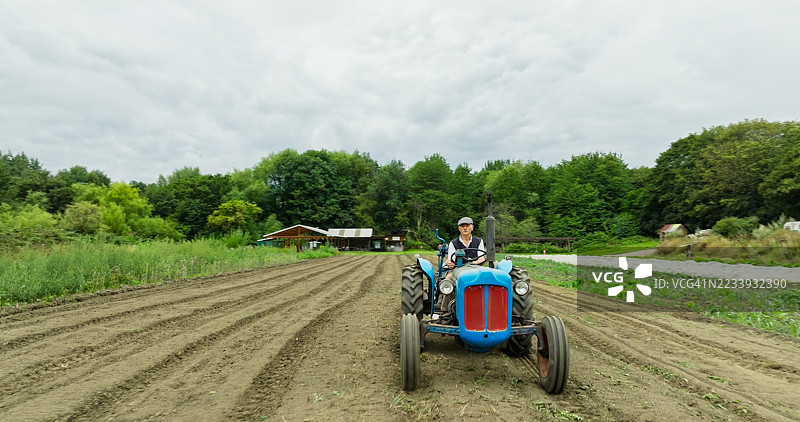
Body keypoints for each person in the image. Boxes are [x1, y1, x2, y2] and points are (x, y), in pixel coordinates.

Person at [439, 216, 486, 310]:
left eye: (467, 226)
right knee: (448, 281)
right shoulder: (453, 243)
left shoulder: (479, 241)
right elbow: (451, 260)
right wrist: (451, 264)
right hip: (458, 268)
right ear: (459, 228)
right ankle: (444, 309)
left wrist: (474, 262)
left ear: (472, 227)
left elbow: (482, 257)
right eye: (462, 226)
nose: (465, 228)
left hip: (476, 269)